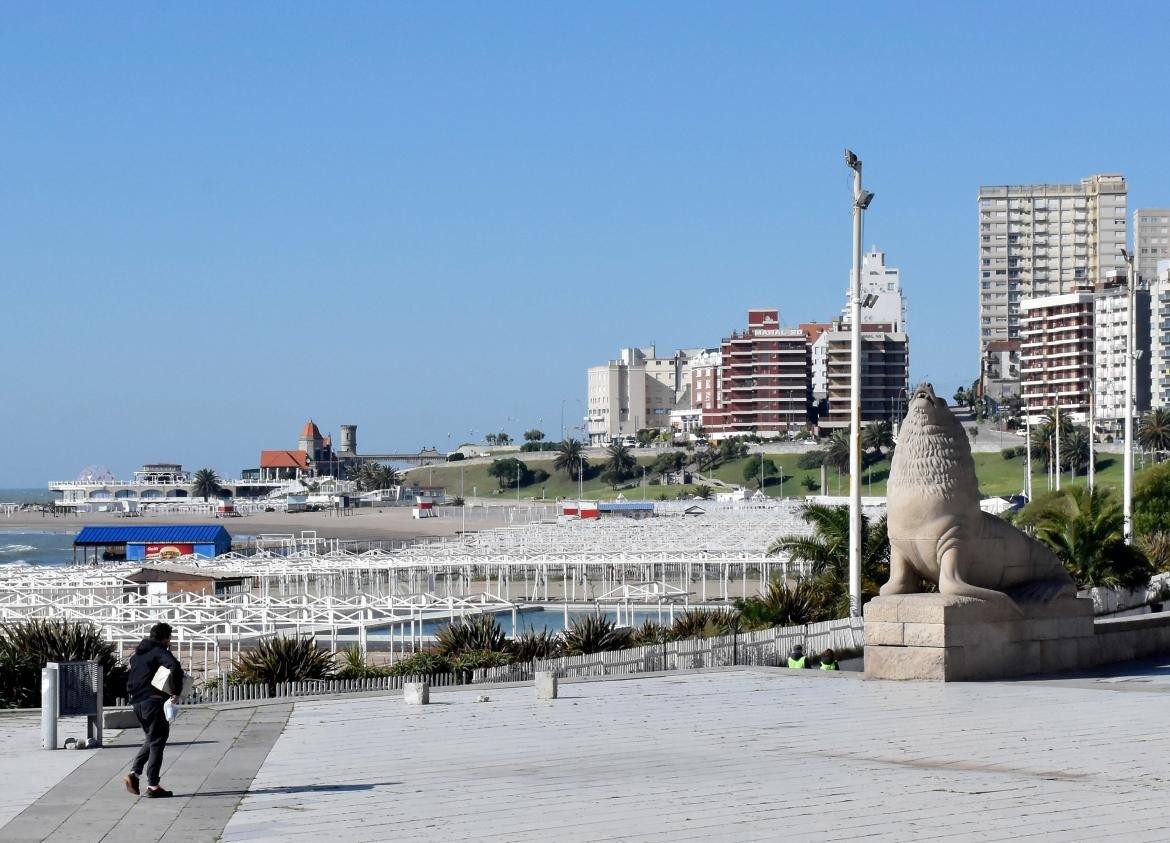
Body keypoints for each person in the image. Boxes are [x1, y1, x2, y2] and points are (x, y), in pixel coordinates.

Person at [123, 622, 184, 798]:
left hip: (137, 703)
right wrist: (176, 692)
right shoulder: (159, 651)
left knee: (152, 737)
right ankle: (153, 785)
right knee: (158, 740)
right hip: (153, 701)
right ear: (165, 638)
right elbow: (174, 666)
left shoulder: (138, 655)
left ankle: (134, 774)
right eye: (169, 639)